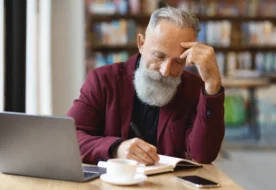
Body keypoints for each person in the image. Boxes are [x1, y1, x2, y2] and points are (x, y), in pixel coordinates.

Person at [67, 6, 225, 165]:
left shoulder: (194, 88)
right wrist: (116, 148)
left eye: (178, 61)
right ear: (141, 44)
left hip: (169, 187)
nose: (165, 71)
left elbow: (203, 155)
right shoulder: (103, 80)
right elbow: (69, 137)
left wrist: (212, 85)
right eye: (159, 56)